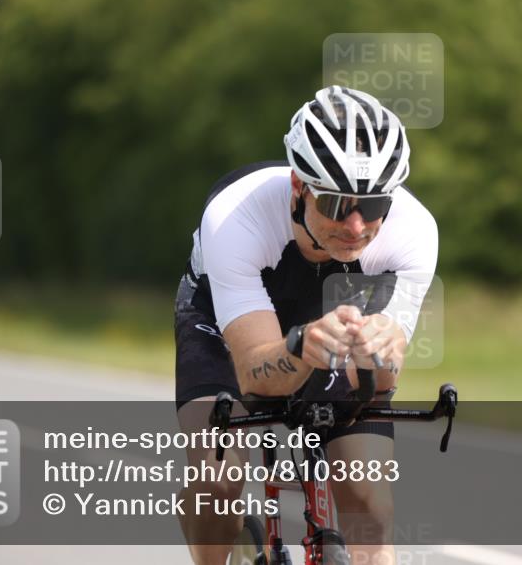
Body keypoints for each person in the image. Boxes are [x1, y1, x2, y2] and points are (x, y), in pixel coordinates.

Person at [174, 85, 438, 564]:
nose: (356, 226)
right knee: (219, 480)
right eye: (337, 204)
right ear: (299, 188)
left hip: (331, 326)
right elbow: (256, 372)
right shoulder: (237, 217)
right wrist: (299, 352)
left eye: (374, 206)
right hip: (223, 320)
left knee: (369, 505)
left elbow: (380, 382)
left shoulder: (413, 232)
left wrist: (385, 353)